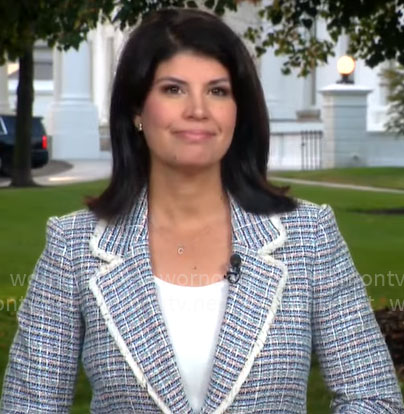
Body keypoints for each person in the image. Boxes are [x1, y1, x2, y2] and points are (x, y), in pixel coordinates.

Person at [1, 7, 403, 414]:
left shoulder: (310, 236)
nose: (198, 109)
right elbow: (29, 406)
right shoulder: (74, 247)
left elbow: (374, 399)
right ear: (137, 111)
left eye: (218, 91)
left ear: (238, 110)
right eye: (174, 89)